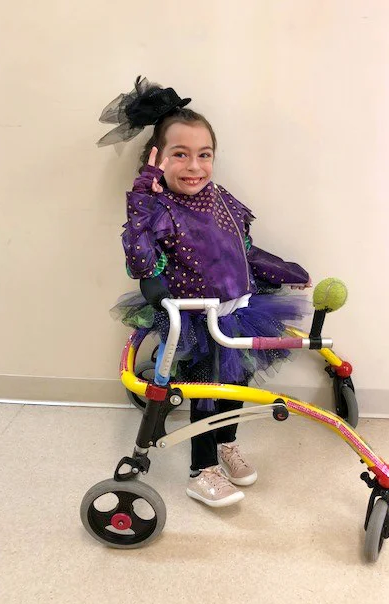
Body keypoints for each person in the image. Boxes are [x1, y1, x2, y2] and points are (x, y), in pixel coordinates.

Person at [98, 76, 312, 508]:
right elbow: (141, 262)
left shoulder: (220, 198)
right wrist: (142, 196)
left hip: (241, 312)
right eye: (180, 155)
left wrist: (283, 269)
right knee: (207, 394)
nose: (194, 166)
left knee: (237, 386)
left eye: (204, 155)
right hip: (197, 318)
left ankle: (226, 445)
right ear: (156, 160)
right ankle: (202, 470)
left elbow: (244, 249)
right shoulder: (157, 209)